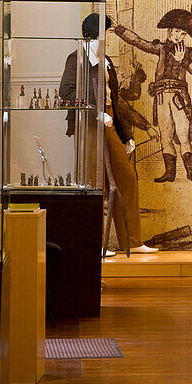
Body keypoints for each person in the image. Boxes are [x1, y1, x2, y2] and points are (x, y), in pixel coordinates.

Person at [59, 14, 157, 255]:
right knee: (94, 185)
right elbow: (66, 92)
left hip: (109, 122)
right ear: (94, 35)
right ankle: (96, 245)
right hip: (88, 126)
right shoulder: (76, 59)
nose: (108, 37)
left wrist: (125, 135)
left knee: (127, 178)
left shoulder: (107, 61)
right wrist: (95, 113)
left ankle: (132, 241)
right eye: (106, 32)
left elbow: (116, 100)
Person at [112, 3, 192, 184]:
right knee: (165, 135)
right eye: (178, 31)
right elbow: (139, 42)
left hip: (179, 98)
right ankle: (169, 173)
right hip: (162, 97)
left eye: (184, 33)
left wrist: (183, 61)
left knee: (184, 135)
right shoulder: (161, 48)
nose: (180, 36)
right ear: (170, 31)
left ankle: (190, 173)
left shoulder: (188, 52)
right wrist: (119, 30)